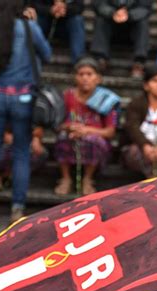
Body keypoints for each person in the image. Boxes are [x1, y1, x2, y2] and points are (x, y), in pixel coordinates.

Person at [0, 0, 51, 222]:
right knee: (21, 152)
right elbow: (47, 54)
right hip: (23, 97)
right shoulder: (30, 28)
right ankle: (17, 209)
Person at [54, 57, 118, 196]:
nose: (85, 78)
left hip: (94, 137)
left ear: (98, 78)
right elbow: (57, 124)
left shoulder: (106, 99)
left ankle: (88, 179)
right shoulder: (67, 96)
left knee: (94, 141)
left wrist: (87, 130)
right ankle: (65, 178)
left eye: (89, 74)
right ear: (75, 77)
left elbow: (110, 131)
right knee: (63, 137)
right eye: (81, 74)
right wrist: (70, 127)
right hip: (72, 133)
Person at [90, 0, 151, 79]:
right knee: (100, 19)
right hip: (110, 26)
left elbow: (145, 8)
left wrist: (128, 15)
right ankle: (100, 60)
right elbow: (98, 4)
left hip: (132, 28)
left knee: (142, 22)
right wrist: (113, 13)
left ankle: (139, 62)